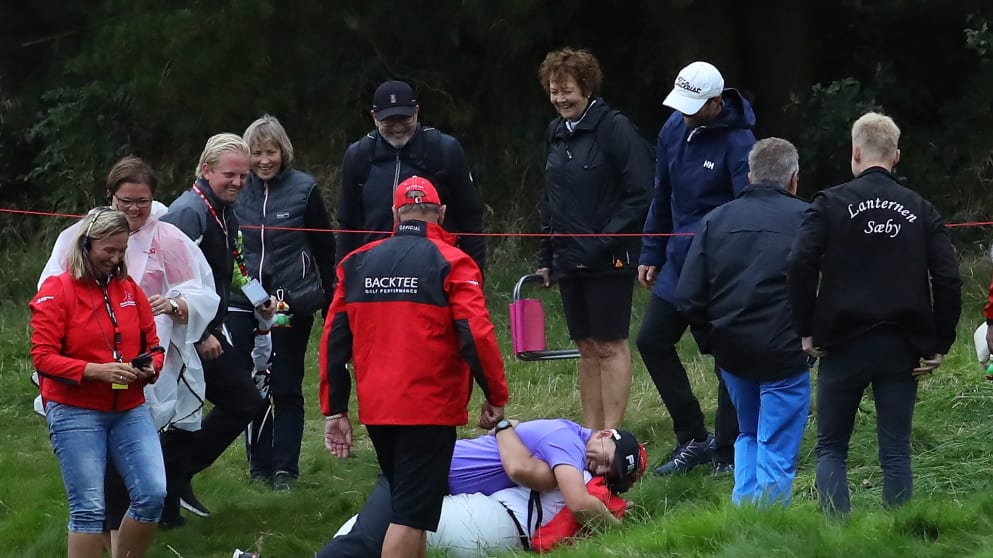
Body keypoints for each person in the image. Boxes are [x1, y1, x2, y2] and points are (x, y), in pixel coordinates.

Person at [320, 175, 509, 558]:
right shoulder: (454, 261)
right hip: (430, 407)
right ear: (440, 212)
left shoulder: (357, 263)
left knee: (413, 507)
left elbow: (333, 341)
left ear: (394, 213)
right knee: (410, 515)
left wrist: (334, 408)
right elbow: (477, 335)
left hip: (378, 407)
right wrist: (496, 394)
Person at [788, 112, 962, 515]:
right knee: (897, 451)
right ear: (896, 156)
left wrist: (806, 327)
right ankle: (897, 535)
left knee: (831, 447)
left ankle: (836, 535)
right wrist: (941, 340)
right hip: (902, 345)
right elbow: (948, 277)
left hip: (841, 342)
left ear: (855, 152)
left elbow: (799, 263)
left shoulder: (829, 203)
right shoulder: (920, 208)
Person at [38, 156, 219, 528]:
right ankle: (104, 525)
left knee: (148, 471)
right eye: (126, 201)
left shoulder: (168, 237)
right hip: (85, 372)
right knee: (92, 491)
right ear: (110, 197)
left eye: (143, 201)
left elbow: (200, 290)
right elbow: (50, 303)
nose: (136, 209)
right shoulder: (77, 238)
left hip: (147, 364)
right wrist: (90, 362)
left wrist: (173, 305)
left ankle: (145, 516)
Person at [675, 138, 811, 507]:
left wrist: (713, 341)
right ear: (794, 179)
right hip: (786, 353)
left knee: (748, 435)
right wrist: (814, 340)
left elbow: (688, 296)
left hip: (733, 352)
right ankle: (766, 529)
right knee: (776, 447)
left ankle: (745, 517)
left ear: (749, 175)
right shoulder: (809, 220)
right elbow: (831, 288)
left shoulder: (715, 220)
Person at [637, 60, 756, 475]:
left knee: (728, 357)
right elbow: (662, 194)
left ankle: (728, 451)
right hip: (676, 262)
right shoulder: (673, 129)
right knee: (652, 341)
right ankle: (693, 436)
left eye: (693, 107)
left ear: (716, 103)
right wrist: (651, 251)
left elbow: (748, 210)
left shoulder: (741, 142)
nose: (685, 115)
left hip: (721, 268)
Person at [30, 207, 167, 558]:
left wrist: (150, 368)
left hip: (129, 407)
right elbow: (43, 358)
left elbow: (154, 345)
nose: (116, 258)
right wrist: (96, 371)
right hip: (75, 409)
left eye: (122, 250)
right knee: (89, 509)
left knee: (153, 494)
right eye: (109, 250)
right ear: (87, 245)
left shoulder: (129, 289)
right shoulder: (56, 290)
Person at [318, 418, 647, 557]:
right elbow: (578, 502)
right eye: (608, 460)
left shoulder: (567, 440)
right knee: (367, 543)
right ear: (605, 434)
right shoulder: (568, 440)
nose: (599, 468)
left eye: (609, 472)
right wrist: (616, 528)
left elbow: (531, 471)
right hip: (426, 473)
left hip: (436, 476)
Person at [535, 47, 654, 430]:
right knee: (586, 347)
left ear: (586, 87)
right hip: (568, 257)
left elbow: (641, 193)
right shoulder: (555, 133)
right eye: (553, 91)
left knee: (609, 344)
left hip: (609, 258)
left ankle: (612, 433)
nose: (560, 99)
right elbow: (550, 198)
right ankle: (589, 431)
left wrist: (604, 240)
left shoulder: (614, 127)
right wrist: (547, 253)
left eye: (566, 90)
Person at [160, 133, 273, 518]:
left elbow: (231, 270)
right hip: (185, 334)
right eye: (230, 175)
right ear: (206, 170)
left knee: (215, 407)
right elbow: (168, 281)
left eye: (244, 176)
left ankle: (171, 487)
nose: (239, 183)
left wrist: (260, 300)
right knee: (234, 402)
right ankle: (166, 487)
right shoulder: (189, 212)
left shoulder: (224, 209)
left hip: (209, 329)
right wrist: (202, 332)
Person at [232, 114, 335, 490]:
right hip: (247, 303)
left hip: (291, 303)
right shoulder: (236, 190)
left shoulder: (304, 189)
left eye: (270, 151)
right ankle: (258, 465)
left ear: (283, 151)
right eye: (256, 153)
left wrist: (329, 295)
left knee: (287, 385)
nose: (264, 160)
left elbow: (325, 246)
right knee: (254, 383)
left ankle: (284, 470)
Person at [336, 79, 485, 272]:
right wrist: (340, 283)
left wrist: (474, 278)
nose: (398, 128)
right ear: (374, 116)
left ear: (417, 112)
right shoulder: (358, 156)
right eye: (389, 120)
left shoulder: (444, 150)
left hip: (433, 272)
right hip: (373, 274)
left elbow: (470, 220)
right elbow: (346, 226)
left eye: (405, 118)